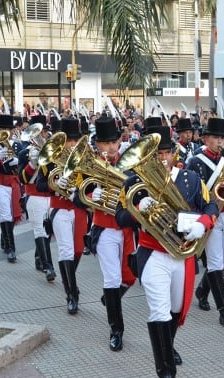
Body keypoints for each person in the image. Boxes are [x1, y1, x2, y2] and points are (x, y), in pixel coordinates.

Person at [115, 126, 218, 378]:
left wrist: (203, 224)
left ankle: (166, 348)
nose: (162, 159)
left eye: (165, 153)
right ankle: (166, 374)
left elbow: (210, 207)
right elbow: (120, 219)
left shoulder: (191, 178)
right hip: (153, 254)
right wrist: (139, 208)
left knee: (174, 311)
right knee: (159, 312)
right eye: (156, 155)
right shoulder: (134, 183)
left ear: (174, 153)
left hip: (182, 255)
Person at [186, 117, 224, 330]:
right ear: (206, 138)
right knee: (216, 262)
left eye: (222, 138)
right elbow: (191, 193)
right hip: (208, 216)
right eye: (216, 138)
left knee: (217, 261)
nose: (219, 142)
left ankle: (202, 291)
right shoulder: (195, 161)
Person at [91, 116, 138, 350]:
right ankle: (116, 329)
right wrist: (92, 197)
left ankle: (109, 300)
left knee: (131, 276)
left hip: (127, 228)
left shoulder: (129, 163)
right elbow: (80, 194)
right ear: (97, 144)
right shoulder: (90, 164)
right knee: (112, 278)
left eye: (114, 141)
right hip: (105, 227)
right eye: (105, 142)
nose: (110, 147)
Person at [36, 118, 89, 315]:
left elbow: (93, 184)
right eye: (69, 141)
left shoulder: (86, 158)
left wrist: (81, 188)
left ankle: (69, 281)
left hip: (80, 208)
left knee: (77, 250)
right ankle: (71, 294)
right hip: (59, 207)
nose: (73, 145)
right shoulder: (50, 161)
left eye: (76, 141)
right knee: (66, 251)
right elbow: (41, 184)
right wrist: (56, 183)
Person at [18, 114, 56, 282]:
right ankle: (49, 267)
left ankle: (38, 258)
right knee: (40, 230)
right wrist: (32, 165)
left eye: (44, 132)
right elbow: (22, 179)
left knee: (47, 231)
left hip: (51, 195)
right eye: (39, 133)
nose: (42, 136)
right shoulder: (23, 153)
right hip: (34, 195)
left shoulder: (54, 152)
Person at [0, 114, 25, 263]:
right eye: (3, 129)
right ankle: (11, 249)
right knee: (5, 215)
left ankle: (4, 237)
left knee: (14, 215)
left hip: (14, 184)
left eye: (9, 129)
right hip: (0, 184)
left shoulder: (17, 145)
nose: (7, 131)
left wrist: (18, 162)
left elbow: (23, 168)